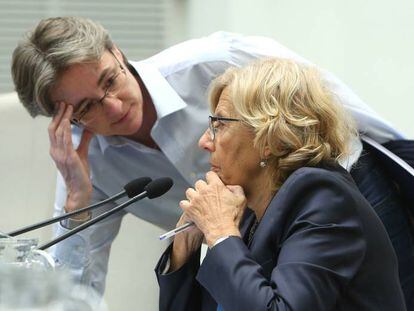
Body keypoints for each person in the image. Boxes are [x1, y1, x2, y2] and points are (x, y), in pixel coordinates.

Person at [11, 17, 413, 304]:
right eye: (87, 108)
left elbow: (336, 115)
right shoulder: (84, 165)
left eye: (110, 81)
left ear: (117, 53)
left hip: (343, 190)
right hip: (243, 240)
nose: (113, 106)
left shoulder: (219, 60)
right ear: (66, 120)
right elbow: (68, 293)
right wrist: (78, 202)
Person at [155, 58, 407, 310]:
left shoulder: (323, 199)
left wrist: (219, 233)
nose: (204, 142)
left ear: (271, 139)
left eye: (219, 124)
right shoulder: (247, 212)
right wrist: (184, 249)